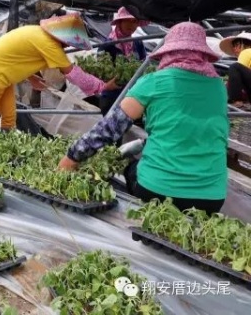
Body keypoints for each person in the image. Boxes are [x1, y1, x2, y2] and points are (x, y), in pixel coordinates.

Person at [58, 22, 228, 215]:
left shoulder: (153, 82)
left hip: (157, 190)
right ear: (203, 55)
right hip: (212, 196)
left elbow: (109, 129)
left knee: (129, 167)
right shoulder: (219, 88)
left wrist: (72, 157)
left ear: (168, 52)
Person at [0, 13, 118, 131]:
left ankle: (5, 147)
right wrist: (102, 87)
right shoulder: (49, 44)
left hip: (0, 71)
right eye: (68, 43)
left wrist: (32, 78)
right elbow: (74, 74)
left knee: (9, 117)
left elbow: (17, 57)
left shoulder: (38, 32)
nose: (67, 47)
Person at [97, 7, 149, 115]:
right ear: (119, 22)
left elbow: (144, 64)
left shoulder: (137, 43)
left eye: (135, 22)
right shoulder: (108, 45)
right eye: (127, 21)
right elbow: (101, 71)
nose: (132, 25)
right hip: (112, 97)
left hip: (132, 97)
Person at [219, 32, 251, 109]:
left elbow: (237, 75)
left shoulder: (247, 51)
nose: (234, 49)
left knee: (235, 68)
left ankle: (236, 101)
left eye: (237, 45)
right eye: (233, 46)